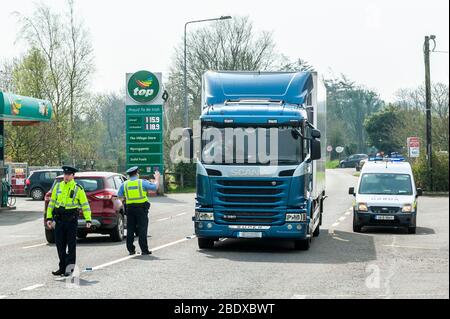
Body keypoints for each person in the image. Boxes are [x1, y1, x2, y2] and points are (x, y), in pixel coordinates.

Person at [46, 166, 92, 277]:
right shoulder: (58, 186)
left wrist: (88, 219)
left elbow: (85, 205)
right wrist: (48, 218)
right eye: (65, 174)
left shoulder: (77, 188)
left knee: (71, 246)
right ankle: (62, 268)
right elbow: (52, 203)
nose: (66, 176)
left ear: (73, 176)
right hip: (59, 220)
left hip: (71, 221)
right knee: (59, 245)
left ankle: (69, 268)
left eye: (68, 174)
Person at [118, 167, 160, 255]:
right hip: (141, 209)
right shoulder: (141, 182)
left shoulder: (124, 184)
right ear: (137, 173)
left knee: (130, 229)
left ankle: (131, 250)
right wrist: (157, 178)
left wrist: (125, 202)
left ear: (129, 175)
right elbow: (155, 187)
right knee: (142, 229)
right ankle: (144, 250)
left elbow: (120, 196)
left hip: (130, 209)